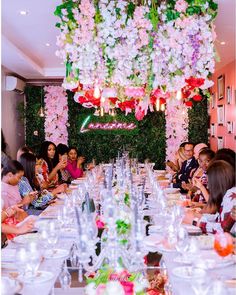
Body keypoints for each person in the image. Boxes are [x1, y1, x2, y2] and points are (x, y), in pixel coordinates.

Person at [183, 160, 235, 234]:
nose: (208, 186)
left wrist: (195, 221)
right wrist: (198, 216)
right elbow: (219, 218)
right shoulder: (228, 193)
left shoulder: (232, 195)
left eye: (209, 182)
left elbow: (223, 230)